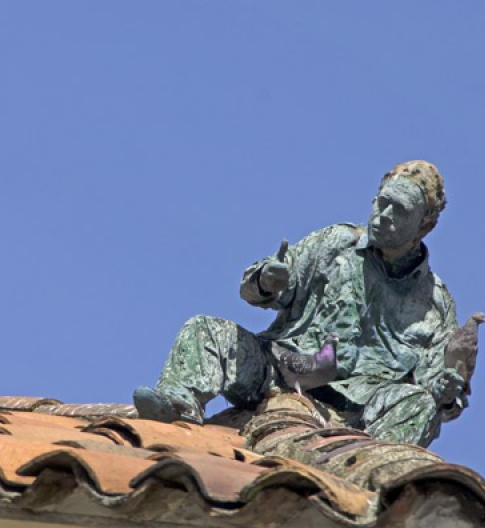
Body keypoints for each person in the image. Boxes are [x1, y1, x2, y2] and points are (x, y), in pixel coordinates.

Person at [133, 160, 464, 447]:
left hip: (359, 414)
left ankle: (365, 469)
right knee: (204, 329)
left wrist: (446, 393)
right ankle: (178, 410)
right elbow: (257, 290)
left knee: (420, 404)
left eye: (400, 211)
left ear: (425, 224)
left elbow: (438, 389)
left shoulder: (435, 305)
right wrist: (267, 280)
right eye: (382, 203)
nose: (383, 216)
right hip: (277, 371)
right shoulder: (335, 243)